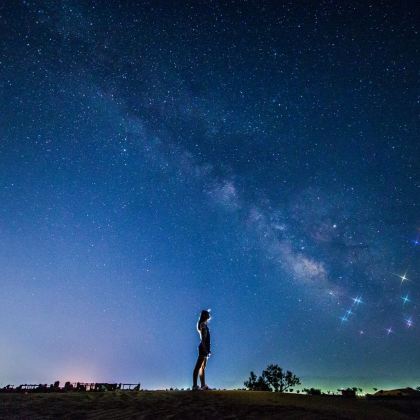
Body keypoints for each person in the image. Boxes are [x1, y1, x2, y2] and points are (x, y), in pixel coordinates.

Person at [192, 309, 211, 390]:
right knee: (198, 367)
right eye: (207, 313)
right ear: (205, 316)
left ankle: (203, 385)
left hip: (205, 348)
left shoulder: (204, 325)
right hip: (203, 348)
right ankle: (194, 386)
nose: (209, 314)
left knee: (203, 367)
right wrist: (205, 349)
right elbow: (203, 339)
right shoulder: (203, 325)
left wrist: (208, 349)